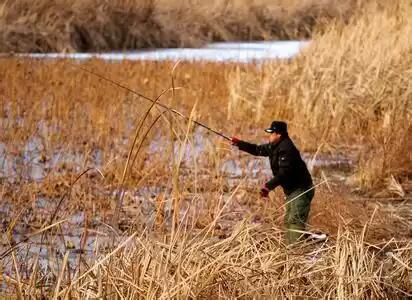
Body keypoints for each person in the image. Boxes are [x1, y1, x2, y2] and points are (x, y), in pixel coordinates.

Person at [231, 121, 321, 244]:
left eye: (272, 133)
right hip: (292, 191)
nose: (270, 135)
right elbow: (258, 150)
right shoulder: (274, 146)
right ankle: (295, 247)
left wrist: (268, 186)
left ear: (279, 134)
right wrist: (239, 144)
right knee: (289, 221)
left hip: (301, 190)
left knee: (295, 221)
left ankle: (296, 250)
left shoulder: (286, 149)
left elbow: (284, 173)